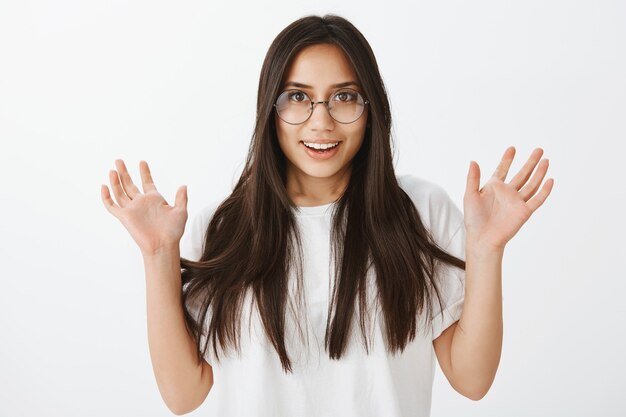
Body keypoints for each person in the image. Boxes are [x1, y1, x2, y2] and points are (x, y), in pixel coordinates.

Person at [101, 14, 554, 417]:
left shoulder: (420, 212)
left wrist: (486, 250)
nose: (322, 121)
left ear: (371, 108)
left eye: (344, 96)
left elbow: (472, 381)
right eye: (298, 96)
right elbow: (183, 395)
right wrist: (159, 254)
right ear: (269, 111)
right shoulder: (222, 227)